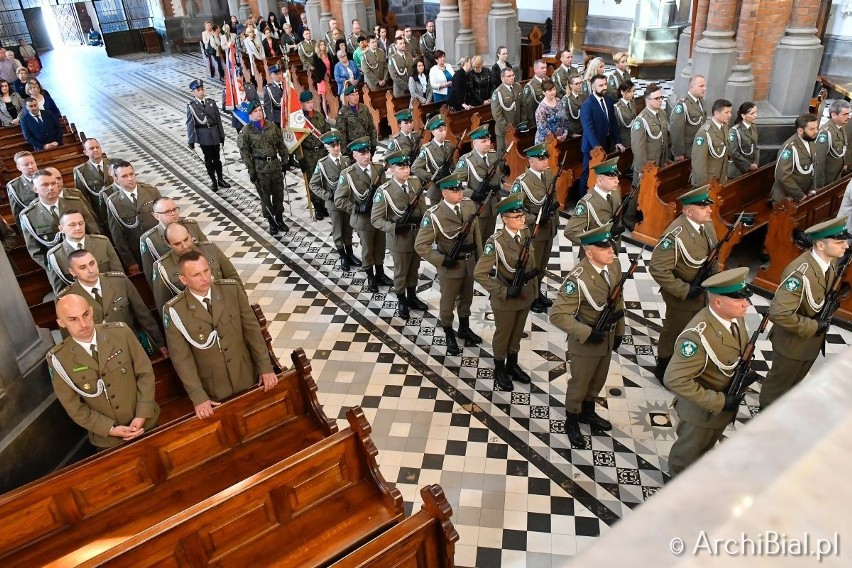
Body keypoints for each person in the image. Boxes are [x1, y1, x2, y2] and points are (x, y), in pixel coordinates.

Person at [664, 267, 756, 477]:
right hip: (701, 412)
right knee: (686, 457)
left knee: (703, 450)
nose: (746, 304)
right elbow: (674, 379)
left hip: (722, 407)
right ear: (717, 302)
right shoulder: (697, 336)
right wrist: (718, 402)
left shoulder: (733, 316)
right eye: (739, 300)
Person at [164, 252, 277, 420]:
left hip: (247, 375)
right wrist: (198, 396)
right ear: (183, 279)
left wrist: (266, 367)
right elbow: (182, 359)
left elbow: (252, 331)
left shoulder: (230, 290)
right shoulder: (175, 311)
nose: (204, 278)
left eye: (206, 271)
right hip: (214, 388)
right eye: (196, 274)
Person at [759, 217, 851, 409]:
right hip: (792, 344)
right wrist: (814, 326)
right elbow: (779, 313)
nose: (846, 246)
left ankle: (781, 412)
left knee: (792, 387)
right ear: (820, 245)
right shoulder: (800, 273)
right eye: (839, 242)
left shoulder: (831, 262)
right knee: (778, 388)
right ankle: (764, 419)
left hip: (810, 342)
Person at [49, 294, 159, 449]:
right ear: (61, 323)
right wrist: (109, 429)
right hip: (107, 440)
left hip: (146, 422)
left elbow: (145, 373)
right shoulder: (59, 359)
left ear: (92, 311)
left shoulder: (121, 333)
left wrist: (142, 414)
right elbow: (73, 406)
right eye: (73, 319)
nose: (83, 323)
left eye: (85, 314)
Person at [551, 223, 625, 446]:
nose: (611, 250)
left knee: (598, 379)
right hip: (585, 342)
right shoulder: (578, 279)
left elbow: (617, 302)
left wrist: (619, 331)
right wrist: (586, 332)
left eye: (610, 245)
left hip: (607, 336)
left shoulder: (614, 266)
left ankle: (588, 411)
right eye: (604, 248)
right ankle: (572, 419)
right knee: (580, 383)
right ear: (589, 252)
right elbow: (557, 315)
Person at [649, 186, 718, 382]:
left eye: (708, 207)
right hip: (682, 296)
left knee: (695, 331)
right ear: (688, 211)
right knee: (675, 330)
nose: (709, 211)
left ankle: (687, 365)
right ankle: (663, 366)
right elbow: (657, 269)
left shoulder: (707, 224)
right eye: (703, 207)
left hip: (703, 293)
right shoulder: (674, 236)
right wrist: (685, 290)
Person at [474, 194, 538, 391]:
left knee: (517, 333)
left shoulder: (526, 234)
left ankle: (513, 364)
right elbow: (479, 273)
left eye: (522, 216)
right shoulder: (496, 242)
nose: (522, 220)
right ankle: (500, 368)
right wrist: (503, 290)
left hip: (525, 294)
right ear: (504, 219)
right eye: (516, 217)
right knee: (504, 334)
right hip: (506, 299)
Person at [415, 172, 483, 355]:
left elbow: (477, 236)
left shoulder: (468, 205)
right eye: (455, 190)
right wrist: (442, 260)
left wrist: (481, 260)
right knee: (447, 303)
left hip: (469, 263)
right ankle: (448, 333)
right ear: (444, 193)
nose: (460, 193)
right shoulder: (435, 215)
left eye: (460, 189)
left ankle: (464, 328)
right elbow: (421, 245)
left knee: (466, 299)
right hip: (450, 267)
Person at [59, 249, 167, 355]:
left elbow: (143, 314)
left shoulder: (119, 281)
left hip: (132, 347)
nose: (91, 270)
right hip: (102, 356)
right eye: (83, 267)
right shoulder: (67, 299)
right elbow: (70, 337)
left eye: (92, 263)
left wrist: (159, 343)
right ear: (73, 272)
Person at [370, 150, 427, 320]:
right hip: (399, 239)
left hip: (416, 236)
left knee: (413, 269)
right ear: (392, 169)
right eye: (401, 167)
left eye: (407, 166)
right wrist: (394, 227)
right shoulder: (384, 191)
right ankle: (401, 299)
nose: (406, 170)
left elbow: (423, 209)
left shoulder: (415, 183)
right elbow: (376, 220)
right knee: (401, 271)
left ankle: (412, 296)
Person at [335, 136, 392, 292]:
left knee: (380, 246)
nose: (367, 156)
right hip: (363, 220)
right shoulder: (348, 174)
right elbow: (339, 200)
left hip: (379, 217)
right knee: (367, 250)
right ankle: (370, 276)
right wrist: (355, 208)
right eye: (362, 153)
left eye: (368, 152)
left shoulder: (378, 169)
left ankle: (380, 273)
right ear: (354, 155)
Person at [510, 143, 559, 313]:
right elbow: (514, 210)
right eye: (541, 158)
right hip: (534, 231)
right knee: (532, 266)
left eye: (546, 158)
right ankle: (531, 297)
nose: (545, 161)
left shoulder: (549, 174)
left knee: (542, 266)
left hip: (549, 229)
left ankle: (537, 293)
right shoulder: (522, 183)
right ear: (531, 161)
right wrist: (535, 219)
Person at [152, 222, 241, 312]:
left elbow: (234, 278)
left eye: (186, 239)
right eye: (177, 244)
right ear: (168, 244)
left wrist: (242, 305)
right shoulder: (163, 267)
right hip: (196, 317)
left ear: (190, 235)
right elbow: (164, 305)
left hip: (227, 308)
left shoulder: (210, 249)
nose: (185, 246)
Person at [20, 170, 99, 270]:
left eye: (53, 183)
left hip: (90, 260)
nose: (51, 188)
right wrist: (54, 268)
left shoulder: (75, 203)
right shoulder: (29, 216)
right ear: (35, 188)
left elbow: (94, 232)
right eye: (45, 185)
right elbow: (35, 250)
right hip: (61, 268)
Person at [237, 100, 289, 234]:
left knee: (279, 194)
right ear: (250, 114)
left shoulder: (271, 126)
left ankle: (280, 219)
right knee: (265, 197)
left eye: (260, 110)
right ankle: (271, 222)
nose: (259, 113)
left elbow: (280, 144)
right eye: (255, 111)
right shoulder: (246, 132)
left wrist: (285, 160)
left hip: (275, 166)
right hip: (260, 169)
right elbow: (245, 154)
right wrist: (251, 171)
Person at [310, 129, 358, 270]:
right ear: (326, 147)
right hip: (334, 203)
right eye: (333, 146)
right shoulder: (323, 164)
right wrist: (327, 196)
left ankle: (350, 253)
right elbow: (313, 184)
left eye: (337, 145)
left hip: (347, 202)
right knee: (338, 231)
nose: (336, 148)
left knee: (348, 229)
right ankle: (343, 256)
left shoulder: (346, 161)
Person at [104, 159, 162, 275]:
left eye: (131, 174)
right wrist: (129, 261)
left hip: (160, 245)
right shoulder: (114, 202)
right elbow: (118, 236)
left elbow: (165, 217)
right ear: (116, 179)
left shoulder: (151, 191)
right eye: (124, 176)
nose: (130, 179)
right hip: (139, 253)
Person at [624, 83, 669, 228]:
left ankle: (645, 215)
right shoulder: (641, 120)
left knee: (652, 191)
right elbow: (638, 148)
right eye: (657, 98)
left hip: (658, 160)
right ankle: (629, 218)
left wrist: (665, 159)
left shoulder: (661, 114)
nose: (660, 101)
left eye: (661, 97)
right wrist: (643, 168)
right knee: (637, 191)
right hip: (645, 165)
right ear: (647, 100)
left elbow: (664, 139)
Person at [46, 210, 121, 293]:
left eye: (81, 223)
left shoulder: (102, 242)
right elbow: (61, 291)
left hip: (111, 293)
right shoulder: (56, 255)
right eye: (72, 225)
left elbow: (118, 275)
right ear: (61, 228)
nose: (78, 228)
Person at [563, 157, 623, 257]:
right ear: (599, 181)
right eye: (612, 178)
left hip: (613, 247)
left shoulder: (616, 191)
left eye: (617, 177)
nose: (617, 181)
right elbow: (570, 232)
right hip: (594, 254)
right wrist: (593, 243)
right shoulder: (586, 203)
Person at [140, 197, 207, 286]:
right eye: (167, 212)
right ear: (156, 216)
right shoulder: (150, 239)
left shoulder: (191, 226)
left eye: (175, 209)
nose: (173, 214)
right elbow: (151, 274)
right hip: (178, 282)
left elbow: (206, 250)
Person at [579, 74, 624, 197]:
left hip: (606, 143)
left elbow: (613, 122)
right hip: (592, 148)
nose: (604, 87)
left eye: (605, 84)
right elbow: (588, 129)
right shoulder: (587, 104)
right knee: (587, 174)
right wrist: (597, 148)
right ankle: (582, 200)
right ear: (593, 87)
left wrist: (617, 141)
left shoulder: (608, 100)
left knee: (602, 174)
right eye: (601, 85)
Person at [456, 125, 504, 241]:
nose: (488, 143)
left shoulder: (492, 155)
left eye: (488, 140)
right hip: (477, 207)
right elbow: (456, 183)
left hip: (492, 207)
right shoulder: (466, 160)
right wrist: (471, 194)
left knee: (488, 239)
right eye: (483, 141)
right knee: (477, 242)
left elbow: (497, 179)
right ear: (474, 143)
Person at [186, 79, 229, 191]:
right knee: (208, 160)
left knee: (217, 159)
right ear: (193, 92)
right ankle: (213, 181)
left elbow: (218, 120)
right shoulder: (192, 106)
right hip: (204, 137)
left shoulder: (211, 102)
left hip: (214, 134)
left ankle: (220, 179)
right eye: (198, 90)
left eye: (202, 89)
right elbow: (190, 124)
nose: (201, 92)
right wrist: (191, 140)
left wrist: (221, 135)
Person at [296, 90, 331, 219]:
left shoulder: (319, 116)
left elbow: (327, 133)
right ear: (301, 104)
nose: (310, 105)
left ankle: (323, 205)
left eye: (311, 102)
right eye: (307, 103)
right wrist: (300, 158)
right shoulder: (299, 120)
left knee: (324, 179)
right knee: (313, 181)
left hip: (321, 152)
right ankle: (316, 206)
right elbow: (296, 142)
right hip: (308, 154)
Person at [769, 113, 818, 205]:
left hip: (803, 195)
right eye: (812, 129)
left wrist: (812, 189)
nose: (816, 131)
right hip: (786, 198)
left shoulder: (811, 140)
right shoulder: (789, 148)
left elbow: (813, 167)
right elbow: (783, 176)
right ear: (800, 130)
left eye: (816, 127)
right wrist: (799, 195)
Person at [412, 115, 455, 204]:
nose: (444, 133)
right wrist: (431, 177)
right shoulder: (427, 148)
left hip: (450, 187)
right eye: (440, 130)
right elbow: (415, 168)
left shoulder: (449, 145)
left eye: (445, 130)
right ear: (433, 132)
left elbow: (452, 165)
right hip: (436, 190)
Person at [689, 98, 732, 188]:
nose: (730, 115)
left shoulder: (724, 127)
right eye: (726, 112)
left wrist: (724, 176)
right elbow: (698, 162)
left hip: (719, 177)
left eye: (730, 112)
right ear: (716, 113)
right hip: (708, 179)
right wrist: (703, 184)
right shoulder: (704, 133)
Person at [73, 138, 113, 230]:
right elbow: (83, 198)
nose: (96, 150)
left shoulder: (113, 163)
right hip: (101, 214)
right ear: (85, 152)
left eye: (97, 147)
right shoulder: (81, 171)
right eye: (91, 148)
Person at [670, 75, 708, 161]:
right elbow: (676, 131)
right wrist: (679, 152)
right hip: (687, 151)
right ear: (692, 87)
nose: (704, 89)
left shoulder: (701, 101)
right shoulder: (682, 105)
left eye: (705, 86)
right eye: (701, 86)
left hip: (698, 147)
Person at [814, 100, 850, 188]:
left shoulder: (841, 126)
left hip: (836, 175)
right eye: (844, 114)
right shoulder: (826, 133)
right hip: (826, 179)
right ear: (834, 115)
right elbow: (819, 161)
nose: (848, 117)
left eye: (849, 113)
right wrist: (819, 185)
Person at [336, 84, 377, 151]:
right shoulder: (342, 112)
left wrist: (373, 144)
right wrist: (344, 151)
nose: (356, 97)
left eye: (357, 94)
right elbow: (341, 133)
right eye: (352, 95)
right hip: (353, 147)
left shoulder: (364, 108)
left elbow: (372, 127)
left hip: (366, 144)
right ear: (347, 98)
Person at [491, 67, 522, 155]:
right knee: (502, 153)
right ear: (502, 78)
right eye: (508, 76)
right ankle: (501, 168)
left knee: (515, 153)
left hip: (516, 127)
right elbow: (496, 114)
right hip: (504, 130)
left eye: (513, 75)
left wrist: (522, 123)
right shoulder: (498, 93)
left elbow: (522, 106)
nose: (512, 78)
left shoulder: (518, 87)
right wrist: (506, 129)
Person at [727, 101, 760, 180]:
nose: (756, 115)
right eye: (752, 113)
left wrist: (755, 163)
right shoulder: (735, 131)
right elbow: (734, 153)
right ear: (743, 115)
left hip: (751, 169)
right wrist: (749, 166)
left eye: (756, 112)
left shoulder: (753, 127)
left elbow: (756, 146)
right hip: (737, 172)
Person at [6, 150, 38, 221]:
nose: (31, 167)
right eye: (26, 165)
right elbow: (17, 214)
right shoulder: (14, 186)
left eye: (32, 163)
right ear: (18, 167)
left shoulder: (48, 176)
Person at [534, 79, 568, 144]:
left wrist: (565, 132)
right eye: (550, 90)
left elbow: (565, 118)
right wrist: (555, 138)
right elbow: (542, 128)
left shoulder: (558, 101)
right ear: (544, 92)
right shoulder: (541, 109)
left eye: (554, 89)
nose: (553, 92)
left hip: (560, 139)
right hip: (546, 142)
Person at [521, 59, 548, 126]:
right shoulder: (530, 86)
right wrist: (532, 125)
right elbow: (528, 109)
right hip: (537, 121)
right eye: (542, 68)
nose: (545, 70)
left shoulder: (548, 81)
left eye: (545, 67)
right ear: (535, 70)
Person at [560, 74, 585, 138]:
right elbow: (563, 119)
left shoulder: (583, 97)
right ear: (571, 85)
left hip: (583, 130)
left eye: (581, 83)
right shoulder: (566, 100)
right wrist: (570, 134)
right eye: (577, 84)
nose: (580, 85)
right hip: (573, 133)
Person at [311, 40, 332, 115]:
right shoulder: (316, 56)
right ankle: (326, 115)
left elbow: (331, 65)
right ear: (318, 46)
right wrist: (323, 77)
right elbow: (317, 69)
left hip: (329, 77)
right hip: (322, 78)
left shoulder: (328, 54)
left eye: (324, 44)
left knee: (331, 96)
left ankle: (332, 112)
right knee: (324, 97)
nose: (323, 46)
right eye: (321, 45)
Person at [613, 80, 636, 150]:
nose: (632, 94)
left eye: (633, 91)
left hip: (634, 136)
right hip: (625, 139)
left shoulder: (632, 103)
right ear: (622, 92)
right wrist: (617, 141)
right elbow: (615, 126)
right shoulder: (617, 107)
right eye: (629, 92)